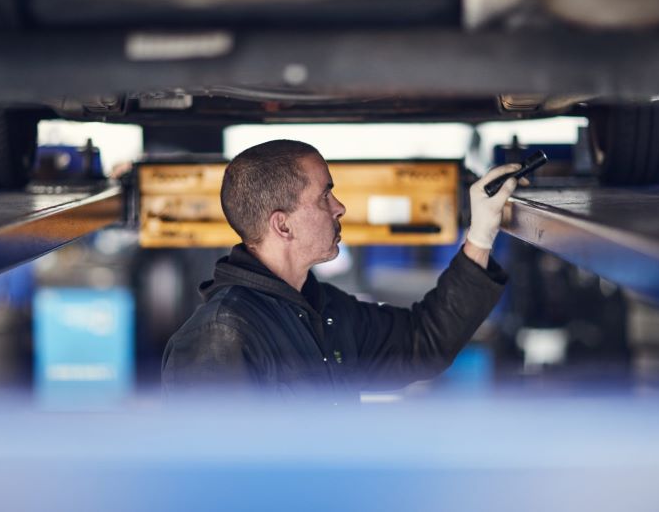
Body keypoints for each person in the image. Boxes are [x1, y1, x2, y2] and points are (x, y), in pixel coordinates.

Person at [161, 139, 524, 401]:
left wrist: (480, 235)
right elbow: (214, 485)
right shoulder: (220, 336)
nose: (340, 208)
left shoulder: (323, 309)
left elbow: (422, 343)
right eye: (325, 196)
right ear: (282, 226)